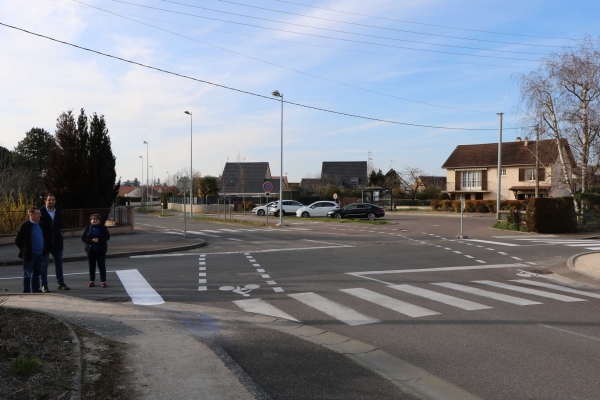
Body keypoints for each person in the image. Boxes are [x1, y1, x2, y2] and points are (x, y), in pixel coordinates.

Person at [40, 194, 70, 292]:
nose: (52, 202)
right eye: (49, 200)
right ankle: (44, 285)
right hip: (45, 243)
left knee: (59, 263)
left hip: (57, 242)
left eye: (53, 200)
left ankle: (61, 283)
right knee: (44, 265)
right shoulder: (41, 212)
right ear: (45, 201)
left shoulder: (58, 211)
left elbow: (60, 225)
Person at [15, 207, 45, 293]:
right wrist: (24, 249)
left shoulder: (40, 224)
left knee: (37, 272)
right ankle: (27, 291)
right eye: (37, 213)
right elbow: (18, 240)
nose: (40, 215)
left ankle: (36, 289)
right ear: (31, 214)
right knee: (27, 273)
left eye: (40, 213)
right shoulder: (25, 226)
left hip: (39, 253)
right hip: (30, 253)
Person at [81, 214, 110, 288]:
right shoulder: (87, 228)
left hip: (100, 250)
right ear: (91, 220)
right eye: (93, 219)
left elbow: (107, 236)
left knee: (102, 266)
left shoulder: (103, 228)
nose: (95, 220)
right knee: (91, 266)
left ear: (99, 220)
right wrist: (91, 240)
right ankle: (92, 281)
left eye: (96, 219)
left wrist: (99, 240)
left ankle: (103, 281)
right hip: (90, 250)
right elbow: (83, 238)